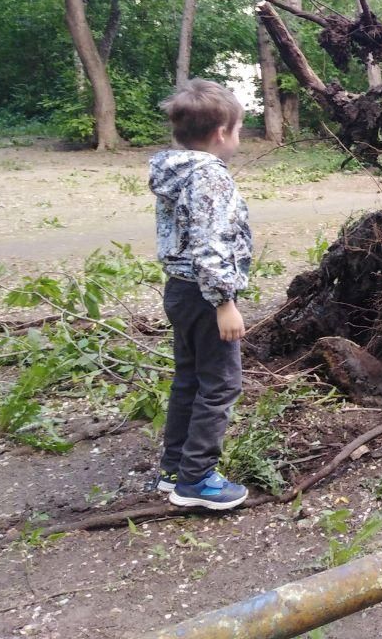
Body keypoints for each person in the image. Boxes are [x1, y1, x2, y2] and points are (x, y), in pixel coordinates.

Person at [147, 79, 252, 510]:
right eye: (240, 129)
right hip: (207, 296)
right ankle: (197, 479)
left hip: (181, 291)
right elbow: (209, 245)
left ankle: (174, 467)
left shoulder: (174, 171)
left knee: (189, 378)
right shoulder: (210, 178)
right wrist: (225, 302)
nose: (239, 137)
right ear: (221, 133)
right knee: (221, 383)